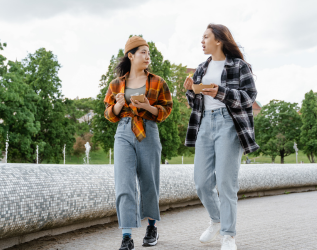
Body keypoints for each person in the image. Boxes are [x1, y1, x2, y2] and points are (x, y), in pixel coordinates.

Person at [184, 24, 259, 250]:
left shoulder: (239, 65)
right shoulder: (200, 68)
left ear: (218, 40)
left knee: (226, 183)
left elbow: (250, 97)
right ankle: (217, 220)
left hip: (229, 122)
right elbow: (194, 104)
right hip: (205, 124)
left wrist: (220, 92)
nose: (202, 41)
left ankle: (228, 235)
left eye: (206, 37)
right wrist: (190, 90)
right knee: (202, 182)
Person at [104, 36, 173, 250]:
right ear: (130, 55)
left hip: (148, 130)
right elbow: (108, 114)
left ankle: (151, 227)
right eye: (142, 51)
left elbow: (166, 109)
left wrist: (147, 106)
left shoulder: (158, 82)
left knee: (149, 182)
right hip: (124, 131)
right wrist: (118, 105)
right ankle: (126, 236)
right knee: (124, 184)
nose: (147, 55)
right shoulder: (116, 84)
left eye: (148, 52)